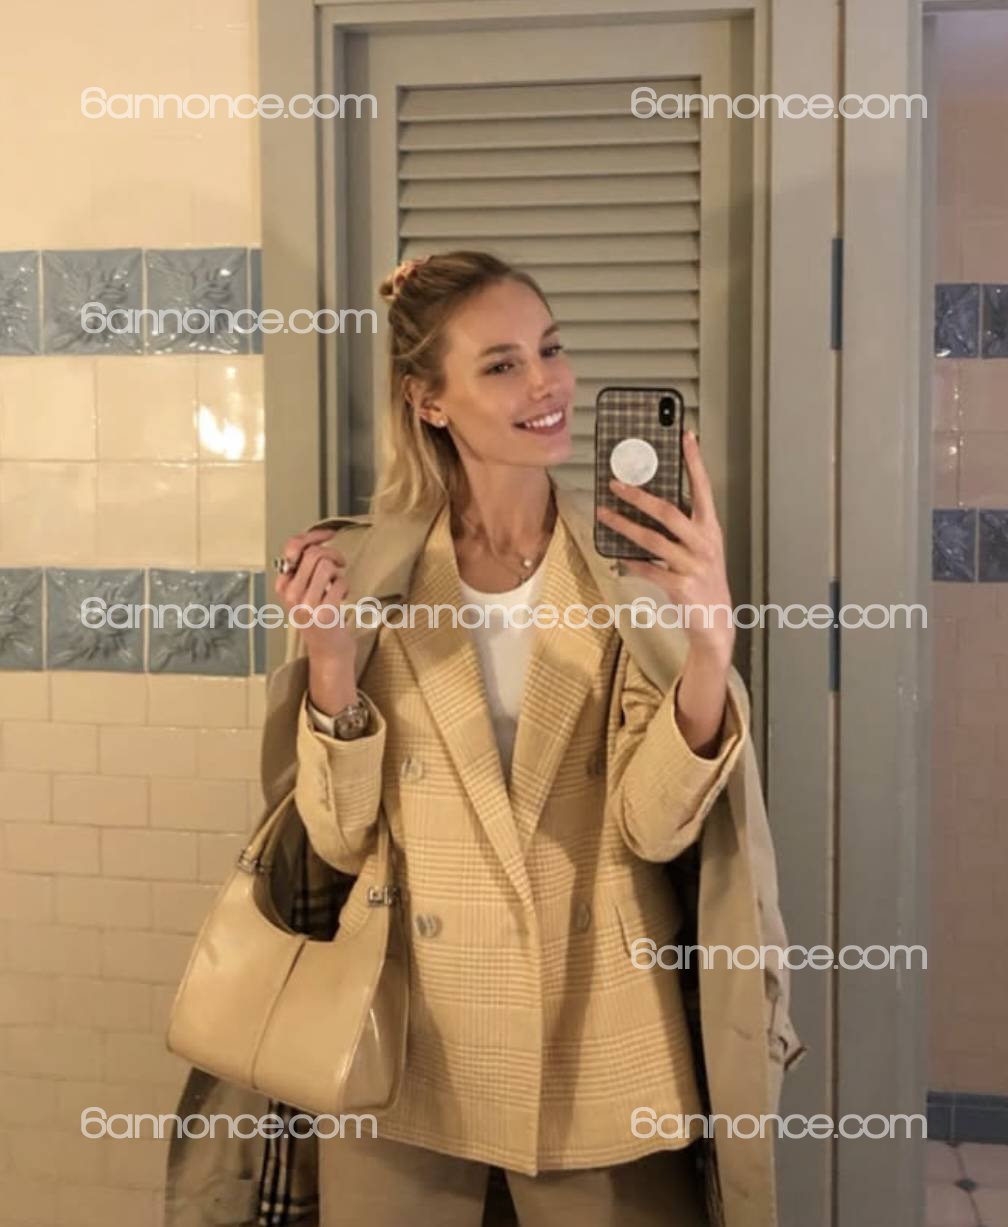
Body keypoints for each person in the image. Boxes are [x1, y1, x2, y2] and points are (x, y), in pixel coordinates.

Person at [270, 251, 770, 1226]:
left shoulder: (628, 579)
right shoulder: (367, 575)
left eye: (550, 349)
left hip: (598, 1046)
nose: (547, 383)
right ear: (428, 400)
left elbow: (652, 828)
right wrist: (330, 664)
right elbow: (336, 841)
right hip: (406, 1049)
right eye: (501, 364)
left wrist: (710, 647)